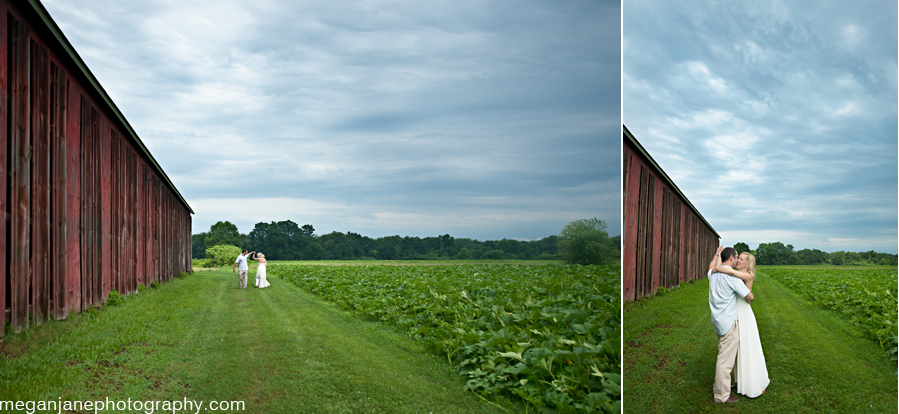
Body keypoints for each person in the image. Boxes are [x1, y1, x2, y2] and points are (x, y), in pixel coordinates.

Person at [714, 251, 770, 398]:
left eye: (742, 259)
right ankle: (739, 381)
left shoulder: (746, 276)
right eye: (738, 258)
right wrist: (719, 258)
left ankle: (753, 382)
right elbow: (730, 272)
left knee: (747, 348)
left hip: (743, 314)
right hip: (735, 313)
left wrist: (719, 268)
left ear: (748, 263)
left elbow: (732, 274)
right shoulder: (734, 273)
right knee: (736, 350)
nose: (738, 260)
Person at [707, 246, 755, 404]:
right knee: (725, 361)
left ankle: (725, 385)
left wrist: (716, 254)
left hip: (717, 321)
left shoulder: (713, 273)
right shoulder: (733, 279)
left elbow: (710, 267)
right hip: (729, 323)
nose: (738, 260)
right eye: (737, 257)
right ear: (732, 258)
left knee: (724, 355)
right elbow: (749, 297)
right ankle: (721, 396)